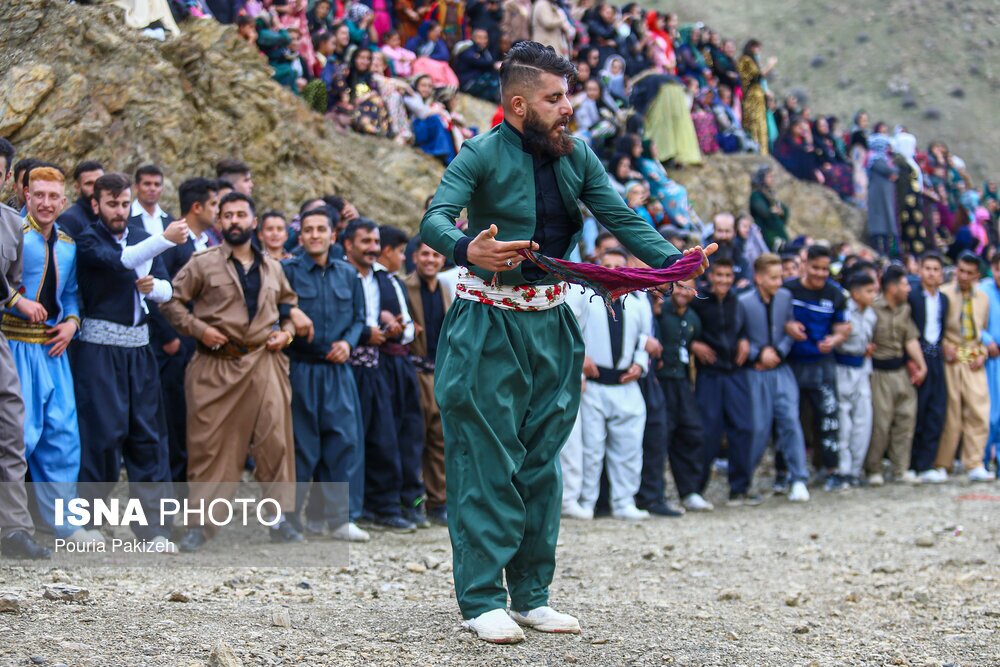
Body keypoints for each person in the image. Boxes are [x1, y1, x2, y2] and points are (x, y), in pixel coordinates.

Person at [419, 42, 710, 643]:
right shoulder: (478, 153)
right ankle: (479, 599)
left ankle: (531, 595)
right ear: (520, 104)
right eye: (555, 98)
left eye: (568, 94)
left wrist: (672, 262)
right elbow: (436, 216)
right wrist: (464, 248)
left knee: (540, 463)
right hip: (487, 324)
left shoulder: (577, 156)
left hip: (552, 323)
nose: (567, 107)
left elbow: (622, 219)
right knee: (486, 462)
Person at [161, 192, 306, 551]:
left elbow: (289, 307)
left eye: (242, 214)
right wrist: (198, 329)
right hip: (215, 365)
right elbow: (171, 302)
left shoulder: (273, 266)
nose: (235, 221)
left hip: (264, 361)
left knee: (275, 443)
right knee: (208, 447)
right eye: (228, 215)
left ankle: (280, 521)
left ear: (253, 222)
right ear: (219, 222)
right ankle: (199, 526)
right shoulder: (201, 263)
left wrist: (286, 334)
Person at [74, 173, 187, 548]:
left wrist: (154, 288)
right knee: (103, 434)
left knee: (149, 437)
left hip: (140, 350)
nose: (119, 211)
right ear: (96, 204)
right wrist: (165, 239)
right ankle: (88, 521)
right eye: (111, 204)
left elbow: (169, 289)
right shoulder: (90, 239)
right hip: (99, 350)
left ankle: (154, 530)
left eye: (124, 204)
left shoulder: (141, 237)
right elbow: (123, 262)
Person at [1, 166, 101, 545]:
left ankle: (64, 523)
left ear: (64, 201)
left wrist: (73, 322)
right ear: (25, 195)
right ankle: (11, 526)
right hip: (12, 344)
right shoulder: (13, 234)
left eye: (52, 196)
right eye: (37, 194)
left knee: (62, 436)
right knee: (18, 435)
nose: (45, 203)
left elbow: (72, 293)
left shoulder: (68, 244)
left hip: (53, 349)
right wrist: (18, 302)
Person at [282, 207, 369, 542]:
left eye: (321, 229)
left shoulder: (348, 275)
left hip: (338, 370)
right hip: (300, 368)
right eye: (308, 229)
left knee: (344, 442)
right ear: (300, 235)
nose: (315, 235)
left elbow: (359, 318)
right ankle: (290, 519)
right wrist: (291, 312)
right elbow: (274, 306)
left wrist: (348, 343)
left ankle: (341, 519)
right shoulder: (286, 271)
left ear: (334, 235)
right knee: (300, 446)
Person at [342, 219, 417, 532]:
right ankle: (344, 511)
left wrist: (390, 330)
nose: (373, 248)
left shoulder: (384, 280)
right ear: (348, 244)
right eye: (366, 241)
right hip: (344, 364)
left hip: (376, 366)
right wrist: (363, 332)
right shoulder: (339, 274)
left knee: (382, 437)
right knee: (345, 439)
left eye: (375, 242)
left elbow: (403, 328)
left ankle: (383, 506)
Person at [0, 144, 55, 559]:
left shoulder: (10, 226)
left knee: (12, 426)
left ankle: (13, 529)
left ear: (7, 179)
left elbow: (13, 283)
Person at [147, 177, 220, 486]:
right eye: (214, 205)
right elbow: (157, 291)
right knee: (176, 425)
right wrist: (170, 339)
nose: (218, 211)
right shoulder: (174, 241)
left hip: (201, 346)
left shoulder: (207, 242)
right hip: (178, 349)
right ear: (196, 207)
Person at [571, 248, 650, 521]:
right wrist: (581, 358)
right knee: (590, 449)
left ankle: (624, 501)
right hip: (595, 384)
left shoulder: (639, 301)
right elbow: (573, 334)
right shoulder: (585, 299)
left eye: (619, 266)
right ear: (599, 267)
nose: (614, 271)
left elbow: (644, 339)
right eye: (608, 266)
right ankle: (587, 501)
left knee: (628, 448)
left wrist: (640, 363)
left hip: (626, 383)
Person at [739, 253, 810, 501]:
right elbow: (739, 338)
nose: (779, 282)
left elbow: (790, 330)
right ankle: (744, 482)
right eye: (773, 277)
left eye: (780, 276)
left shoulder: (785, 298)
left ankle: (798, 478)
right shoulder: (743, 302)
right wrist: (758, 354)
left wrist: (779, 351)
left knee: (790, 421)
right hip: (755, 373)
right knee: (757, 427)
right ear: (758, 278)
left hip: (781, 369)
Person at [785, 244, 851, 491]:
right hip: (792, 364)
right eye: (816, 268)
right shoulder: (788, 289)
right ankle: (786, 472)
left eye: (825, 269)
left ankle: (831, 470)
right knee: (790, 418)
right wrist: (788, 325)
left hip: (823, 365)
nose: (821, 274)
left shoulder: (835, 294)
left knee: (828, 418)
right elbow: (777, 315)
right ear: (805, 264)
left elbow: (844, 327)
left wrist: (834, 340)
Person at [373, 225, 427, 527]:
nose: (403, 257)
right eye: (399, 251)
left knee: (410, 431)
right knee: (388, 433)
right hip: (385, 364)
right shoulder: (375, 282)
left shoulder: (395, 282)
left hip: (403, 363)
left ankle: (410, 499)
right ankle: (387, 504)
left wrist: (406, 328)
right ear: (387, 251)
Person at [690, 257, 755, 505]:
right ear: (710, 277)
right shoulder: (700, 301)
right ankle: (696, 489)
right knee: (709, 432)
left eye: (728, 276)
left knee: (743, 428)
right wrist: (693, 344)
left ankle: (739, 488)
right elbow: (687, 326)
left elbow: (743, 329)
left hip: (735, 372)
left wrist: (746, 340)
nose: (724, 281)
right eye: (719, 275)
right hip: (711, 374)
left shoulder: (737, 301)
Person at [646, 279, 714, 513]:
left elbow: (690, 344)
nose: (684, 292)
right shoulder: (658, 310)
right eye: (680, 286)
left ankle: (690, 491)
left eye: (689, 288)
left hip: (682, 382)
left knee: (692, 431)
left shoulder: (694, 318)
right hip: (660, 380)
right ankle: (655, 494)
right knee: (660, 435)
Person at [403, 238, 451, 526]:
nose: (431, 260)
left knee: (439, 439)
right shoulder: (404, 287)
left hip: (440, 371)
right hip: (414, 371)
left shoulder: (447, 289)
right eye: (425, 255)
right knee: (413, 438)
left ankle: (438, 501)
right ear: (415, 258)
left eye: (435, 255)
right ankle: (411, 500)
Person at [865, 265, 927, 485]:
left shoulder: (905, 309)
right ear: (891, 287)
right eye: (904, 284)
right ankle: (873, 468)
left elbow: (910, 338)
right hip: (879, 373)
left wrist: (921, 365)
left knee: (906, 419)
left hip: (901, 371)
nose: (908, 289)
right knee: (880, 423)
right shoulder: (872, 308)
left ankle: (900, 468)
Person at [935, 253, 994, 482]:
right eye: (961, 271)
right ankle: (943, 463)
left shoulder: (982, 298)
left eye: (970, 273)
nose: (964, 276)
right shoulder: (945, 294)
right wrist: (943, 348)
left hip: (973, 358)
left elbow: (981, 329)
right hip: (951, 356)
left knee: (978, 411)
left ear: (977, 275)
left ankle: (974, 462)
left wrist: (981, 352)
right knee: (951, 413)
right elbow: (937, 329)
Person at [908, 253, 950, 482]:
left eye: (936, 269)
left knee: (936, 409)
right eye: (928, 268)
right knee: (918, 410)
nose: (932, 273)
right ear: (920, 270)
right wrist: (911, 361)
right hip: (918, 356)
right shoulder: (913, 297)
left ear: (941, 274)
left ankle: (927, 463)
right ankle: (912, 463)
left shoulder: (943, 300)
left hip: (936, 357)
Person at [834, 272, 877, 486]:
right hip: (842, 367)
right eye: (869, 291)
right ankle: (843, 468)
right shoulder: (843, 311)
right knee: (844, 422)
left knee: (863, 420)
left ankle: (855, 469)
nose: (873, 295)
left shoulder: (870, 314)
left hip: (862, 368)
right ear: (855, 293)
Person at [737, 39, 776, 157]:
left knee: (761, 124)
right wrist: (769, 66)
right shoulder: (745, 60)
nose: (758, 51)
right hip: (751, 97)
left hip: (758, 97)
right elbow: (755, 77)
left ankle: (763, 151)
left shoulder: (753, 60)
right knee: (754, 123)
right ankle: (755, 148)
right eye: (756, 48)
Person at [866, 134, 900, 257]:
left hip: (885, 196)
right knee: (880, 223)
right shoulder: (876, 160)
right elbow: (891, 171)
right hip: (878, 197)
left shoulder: (884, 160)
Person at [56, 160, 104, 239]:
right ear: (77, 188)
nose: (96, 188)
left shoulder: (109, 216)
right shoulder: (69, 220)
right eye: (89, 184)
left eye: (100, 182)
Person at [749, 165, 789, 252]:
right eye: (769, 176)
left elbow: (783, 210)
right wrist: (773, 211)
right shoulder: (756, 195)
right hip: (767, 234)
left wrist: (781, 211)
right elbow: (763, 212)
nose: (772, 179)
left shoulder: (771, 194)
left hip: (777, 231)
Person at [455, 28, 501, 103]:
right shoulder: (468, 49)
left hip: (480, 82)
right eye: (479, 38)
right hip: (468, 83)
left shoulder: (485, 51)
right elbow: (477, 61)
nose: (482, 41)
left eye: (485, 38)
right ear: (473, 38)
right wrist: (494, 64)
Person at [128, 164, 174, 236]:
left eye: (157, 184)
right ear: (136, 187)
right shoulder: (126, 217)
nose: (153, 189)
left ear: (162, 188)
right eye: (147, 184)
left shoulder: (170, 221)